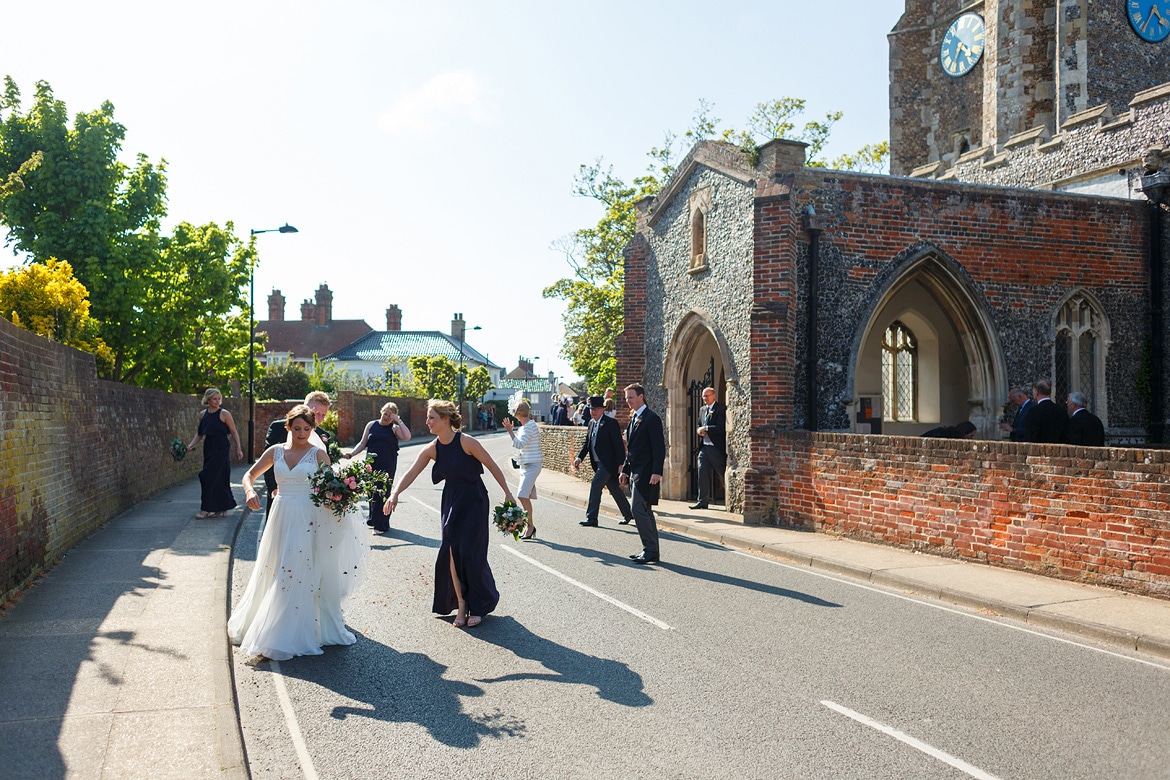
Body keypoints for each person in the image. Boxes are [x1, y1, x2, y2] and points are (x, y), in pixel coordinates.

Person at [228, 405, 369, 660]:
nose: (302, 433)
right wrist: (249, 491)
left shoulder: (319, 455)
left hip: (308, 519)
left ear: (312, 429)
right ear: (288, 428)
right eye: (297, 428)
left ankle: (280, 633)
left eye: (307, 429)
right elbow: (249, 474)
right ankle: (270, 623)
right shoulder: (275, 451)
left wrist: (334, 497)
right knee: (277, 568)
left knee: (295, 569)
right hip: (281, 515)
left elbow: (330, 489)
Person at [384, 400, 514, 628]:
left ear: (445, 419)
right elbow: (412, 471)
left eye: (431, 417)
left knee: (471, 552)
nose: (427, 422)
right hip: (452, 500)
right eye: (427, 417)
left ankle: (478, 603)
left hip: (474, 499)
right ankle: (462, 604)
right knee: (450, 551)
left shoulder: (466, 442)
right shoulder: (433, 448)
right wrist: (394, 493)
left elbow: (493, 465)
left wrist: (507, 492)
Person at [263, 391, 332, 520]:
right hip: (280, 494)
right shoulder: (278, 428)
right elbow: (267, 462)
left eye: (323, 415)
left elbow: (324, 471)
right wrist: (273, 488)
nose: (320, 419)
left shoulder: (324, 436)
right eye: (317, 413)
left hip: (309, 502)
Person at [620, 384, 666, 564]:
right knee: (645, 510)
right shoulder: (634, 419)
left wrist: (657, 472)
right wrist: (625, 469)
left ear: (641, 396)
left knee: (637, 508)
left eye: (631, 397)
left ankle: (650, 549)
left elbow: (658, 448)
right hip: (635, 471)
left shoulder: (651, 418)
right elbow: (631, 450)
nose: (628, 401)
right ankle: (652, 551)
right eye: (626, 398)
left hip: (646, 473)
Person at [348, 402, 412, 533]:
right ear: (381, 412)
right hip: (371, 463)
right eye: (385, 413)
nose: (386, 417)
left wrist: (398, 420)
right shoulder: (371, 425)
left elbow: (407, 437)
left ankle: (381, 524)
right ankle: (373, 519)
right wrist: (351, 454)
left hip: (387, 464)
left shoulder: (394, 428)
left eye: (390, 415)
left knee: (382, 492)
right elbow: (362, 443)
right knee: (372, 491)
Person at [573, 396, 634, 527]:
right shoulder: (591, 423)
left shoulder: (610, 423)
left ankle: (592, 517)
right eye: (591, 409)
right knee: (614, 489)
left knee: (596, 485)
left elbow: (618, 445)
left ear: (602, 410)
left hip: (608, 464)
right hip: (598, 463)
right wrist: (579, 457)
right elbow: (587, 444)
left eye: (595, 409)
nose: (593, 411)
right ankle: (628, 514)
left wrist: (620, 464)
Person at [186, 387, 243, 519]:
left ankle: (205, 509)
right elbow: (200, 434)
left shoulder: (224, 414)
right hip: (209, 447)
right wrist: (190, 445)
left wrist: (238, 448)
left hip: (221, 447)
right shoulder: (202, 414)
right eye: (214, 399)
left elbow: (234, 432)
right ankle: (221, 508)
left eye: (219, 399)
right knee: (217, 478)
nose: (217, 401)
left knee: (208, 476)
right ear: (208, 400)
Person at [502, 401, 542, 539]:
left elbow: (519, 444)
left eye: (515, 413)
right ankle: (529, 525)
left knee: (522, 495)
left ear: (519, 414)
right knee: (524, 495)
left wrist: (509, 431)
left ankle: (530, 526)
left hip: (532, 465)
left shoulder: (528, 427)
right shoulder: (527, 426)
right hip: (528, 465)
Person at [691, 387, 727, 510]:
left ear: (714, 396)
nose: (705, 398)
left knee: (722, 473)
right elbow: (699, 425)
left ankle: (729, 498)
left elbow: (721, 427)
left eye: (707, 395)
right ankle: (702, 501)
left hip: (715, 448)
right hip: (704, 448)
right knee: (702, 473)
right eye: (703, 396)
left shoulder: (721, 409)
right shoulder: (702, 410)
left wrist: (706, 429)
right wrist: (699, 430)